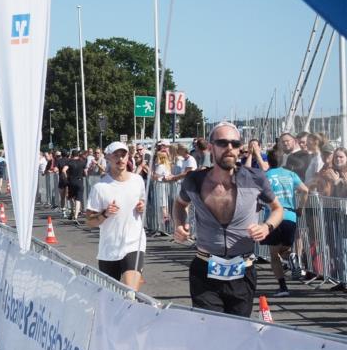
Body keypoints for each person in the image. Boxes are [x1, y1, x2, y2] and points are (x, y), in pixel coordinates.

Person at [172, 123, 283, 317]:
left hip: (242, 270)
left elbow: (277, 209)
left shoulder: (255, 178)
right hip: (205, 269)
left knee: (238, 334)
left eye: (235, 143)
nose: (229, 148)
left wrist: (267, 226)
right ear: (211, 147)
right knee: (211, 331)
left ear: (241, 147)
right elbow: (180, 204)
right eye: (223, 143)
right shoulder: (194, 180)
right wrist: (179, 225)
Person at [85, 142, 147, 289]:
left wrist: (141, 207)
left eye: (123, 155)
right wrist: (105, 214)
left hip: (134, 243)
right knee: (111, 297)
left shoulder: (137, 180)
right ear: (108, 158)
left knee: (129, 293)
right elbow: (89, 221)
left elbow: (142, 201)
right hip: (109, 248)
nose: (120, 159)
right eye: (116, 155)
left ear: (128, 157)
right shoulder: (100, 187)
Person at [261, 147, 308, 298]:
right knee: (284, 249)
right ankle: (292, 256)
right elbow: (305, 190)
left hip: (274, 217)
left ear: (268, 161)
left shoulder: (265, 176)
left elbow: (259, 195)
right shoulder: (290, 174)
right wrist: (300, 207)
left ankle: (283, 287)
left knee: (274, 255)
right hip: (290, 216)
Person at [62, 149, 87, 222]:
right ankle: (76, 216)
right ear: (78, 155)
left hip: (71, 181)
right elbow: (85, 172)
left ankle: (72, 211)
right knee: (78, 199)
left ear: (72, 155)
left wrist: (66, 177)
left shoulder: (69, 162)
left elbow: (64, 170)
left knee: (70, 197)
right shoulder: (82, 162)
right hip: (79, 181)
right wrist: (84, 174)